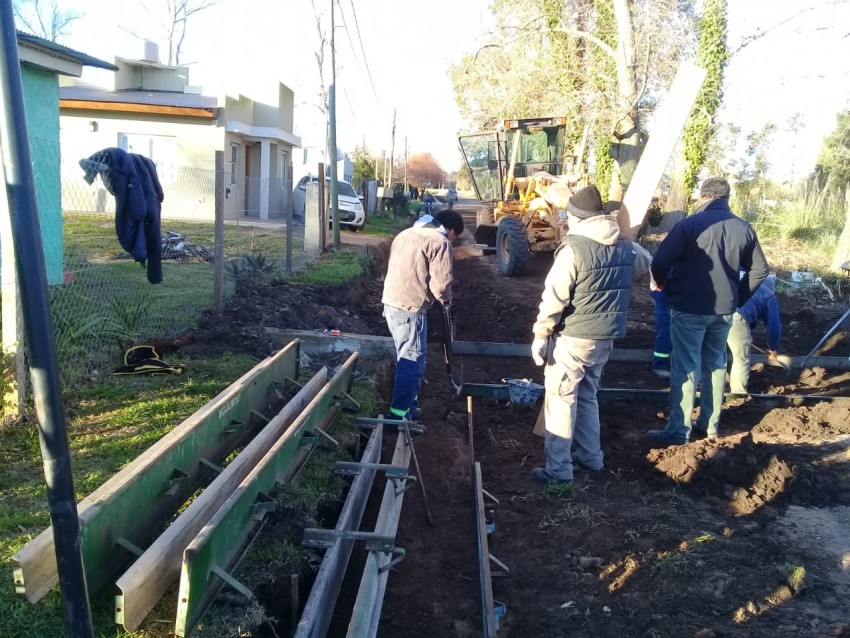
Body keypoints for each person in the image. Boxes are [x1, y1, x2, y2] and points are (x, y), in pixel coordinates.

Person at [529, 186, 651, 486]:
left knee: (560, 400)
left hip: (574, 337)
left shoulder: (574, 249)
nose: (567, 221)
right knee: (588, 396)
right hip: (605, 337)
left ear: (578, 218)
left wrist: (541, 334)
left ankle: (558, 471)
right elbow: (647, 264)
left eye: (568, 216)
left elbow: (554, 298)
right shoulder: (626, 246)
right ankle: (591, 457)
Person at [647, 177, 769, 445]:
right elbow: (760, 270)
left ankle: (678, 430)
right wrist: (738, 298)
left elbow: (660, 260)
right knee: (716, 366)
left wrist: (663, 282)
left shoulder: (689, 224)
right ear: (727, 198)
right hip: (724, 311)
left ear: (703, 197)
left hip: (689, 307)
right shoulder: (744, 228)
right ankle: (709, 426)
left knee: (685, 367)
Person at [381, 209, 465, 421]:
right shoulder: (439, 241)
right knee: (412, 361)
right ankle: (399, 417)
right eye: (455, 237)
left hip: (391, 303)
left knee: (406, 355)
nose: (452, 241)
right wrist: (446, 302)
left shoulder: (405, 234)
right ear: (451, 230)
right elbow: (442, 283)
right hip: (411, 307)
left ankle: (410, 404)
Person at [727, 273, 782, 393]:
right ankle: (738, 395)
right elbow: (774, 327)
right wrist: (772, 348)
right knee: (741, 359)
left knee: (714, 356)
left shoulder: (743, 284)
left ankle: (708, 389)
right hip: (737, 319)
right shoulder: (770, 296)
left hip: (716, 314)